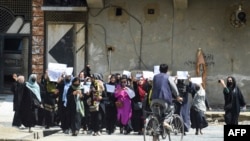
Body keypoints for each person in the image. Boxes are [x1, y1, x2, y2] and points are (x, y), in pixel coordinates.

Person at [151, 64, 182, 130]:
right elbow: (174, 87)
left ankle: (155, 135)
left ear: (159, 70)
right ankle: (165, 122)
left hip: (153, 99)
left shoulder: (155, 77)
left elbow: (153, 87)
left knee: (156, 116)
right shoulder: (168, 77)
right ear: (167, 70)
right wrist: (178, 96)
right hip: (164, 99)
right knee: (171, 109)